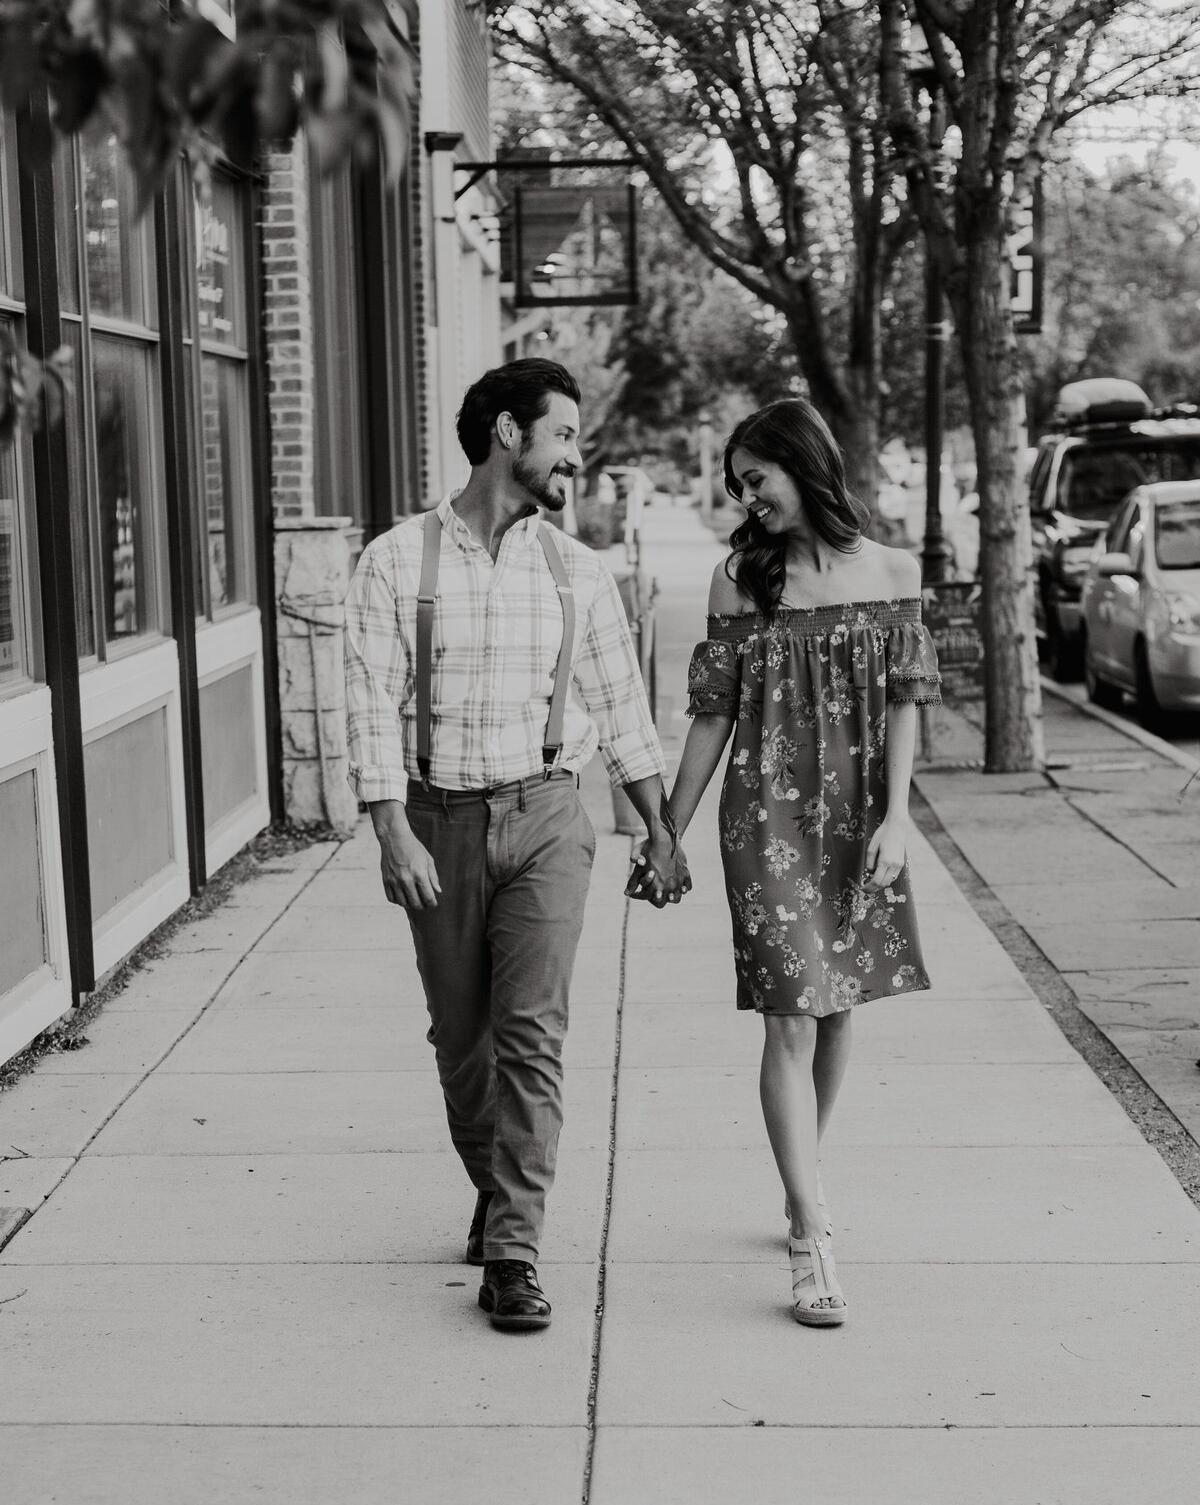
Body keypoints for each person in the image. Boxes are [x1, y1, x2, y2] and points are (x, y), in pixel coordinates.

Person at [343, 359, 689, 1334]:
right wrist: (387, 828)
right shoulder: (394, 561)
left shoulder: (577, 572)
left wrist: (659, 830)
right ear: (508, 433)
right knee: (464, 1045)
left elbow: (624, 712)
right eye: (565, 434)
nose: (574, 455)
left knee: (533, 1039)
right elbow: (369, 704)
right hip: (439, 823)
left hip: (547, 817)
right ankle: (499, 1193)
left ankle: (515, 1253)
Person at [665, 398, 940, 1328]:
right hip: (768, 821)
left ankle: (798, 1183)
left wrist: (898, 820)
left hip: (861, 816)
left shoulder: (893, 571)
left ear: (803, 463)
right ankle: (810, 1235)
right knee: (790, 1018)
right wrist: (668, 826)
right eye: (739, 485)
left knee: (837, 1011)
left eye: (757, 478)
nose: (747, 497)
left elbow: (906, 699)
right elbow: (712, 714)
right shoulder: (744, 580)